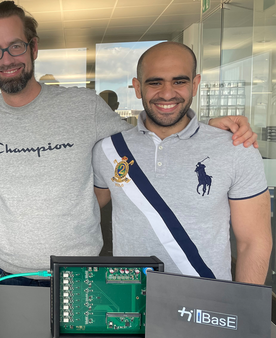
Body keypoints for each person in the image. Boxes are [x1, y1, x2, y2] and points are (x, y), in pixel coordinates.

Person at [0, 0, 258, 286]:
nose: (6, 58)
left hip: (79, 273)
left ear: (34, 47)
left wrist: (208, 130)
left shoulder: (83, 106)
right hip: (7, 273)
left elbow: (146, 137)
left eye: (16, 46)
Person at [92, 42, 271, 284]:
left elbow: (253, 241)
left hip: (208, 303)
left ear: (195, 85)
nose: (167, 93)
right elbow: (81, 211)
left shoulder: (236, 148)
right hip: (132, 301)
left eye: (179, 81)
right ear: (137, 87)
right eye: (155, 82)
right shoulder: (107, 150)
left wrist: (243, 310)